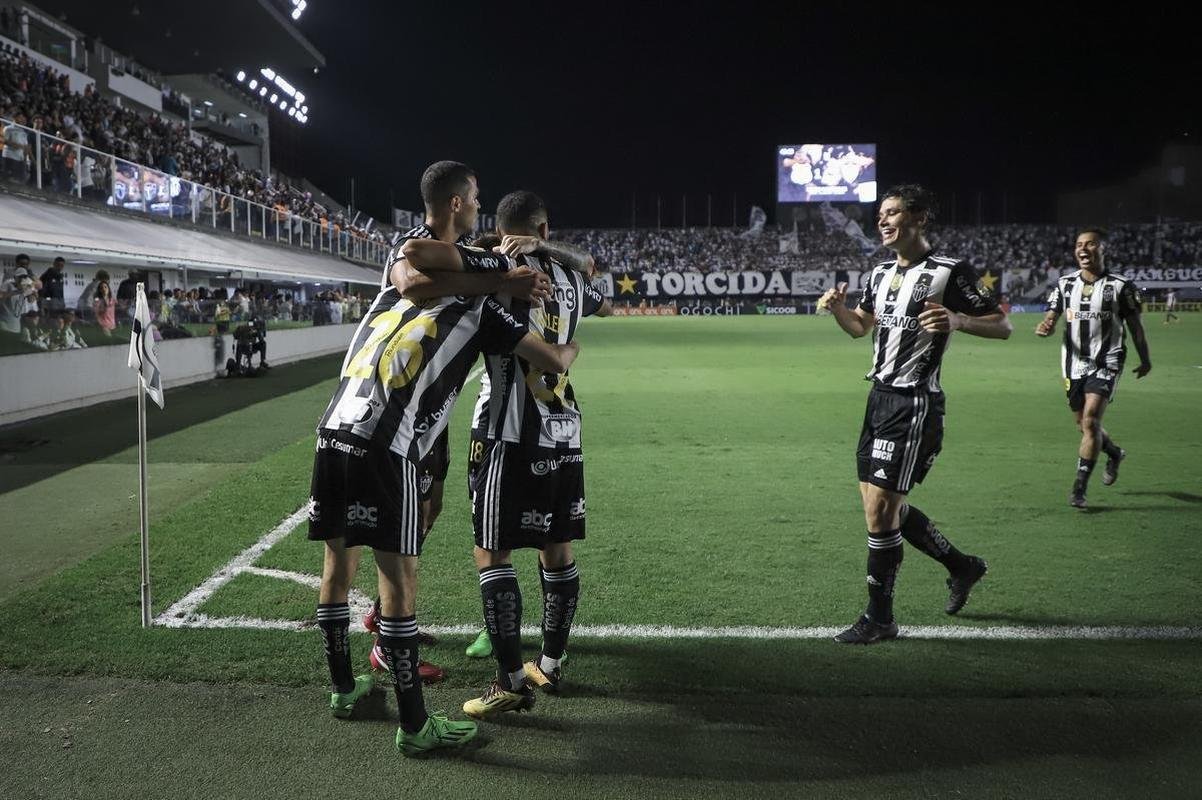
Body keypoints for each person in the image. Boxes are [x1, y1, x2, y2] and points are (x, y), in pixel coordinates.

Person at [308, 160, 575, 758]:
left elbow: (415, 272)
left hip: (334, 426)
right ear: (458, 204)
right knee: (398, 584)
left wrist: (494, 271)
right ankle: (414, 726)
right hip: (388, 443)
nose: (478, 206)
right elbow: (549, 358)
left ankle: (345, 690)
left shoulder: (393, 282)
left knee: (336, 568)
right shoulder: (485, 309)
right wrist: (514, 286)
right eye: (474, 198)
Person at [817, 184, 1012, 645]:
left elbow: (1002, 325)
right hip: (878, 399)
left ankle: (879, 618)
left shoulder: (950, 271)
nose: (883, 221)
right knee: (882, 507)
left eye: (892, 213)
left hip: (914, 402)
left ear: (919, 218)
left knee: (881, 511)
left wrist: (959, 319)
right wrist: (839, 309)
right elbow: (860, 327)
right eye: (880, 215)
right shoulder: (880, 273)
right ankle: (962, 566)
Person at [456, 191, 610, 718]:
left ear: (501, 228)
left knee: (492, 553)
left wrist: (501, 253)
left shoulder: (496, 273)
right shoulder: (572, 278)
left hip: (506, 431)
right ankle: (550, 662)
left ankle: (509, 681)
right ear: (544, 228)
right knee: (557, 547)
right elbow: (602, 291)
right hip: (564, 429)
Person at [1035, 228, 1151, 508]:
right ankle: (1114, 453)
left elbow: (1136, 327)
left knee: (1090, 421)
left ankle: (1079, 488)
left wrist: (1145, 359)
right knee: (1083, 425)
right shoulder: (1064, 284)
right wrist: (1046, 325)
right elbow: (1051, 316)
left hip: (1107, 360)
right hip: (1073, 363)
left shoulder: (1121, 286)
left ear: (1102, 249)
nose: (1083, 249)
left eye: (1090, 244)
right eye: (1079, 245)